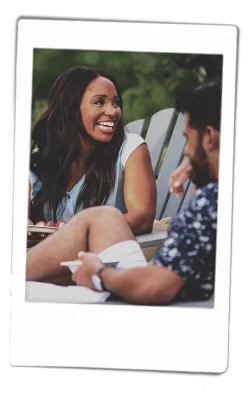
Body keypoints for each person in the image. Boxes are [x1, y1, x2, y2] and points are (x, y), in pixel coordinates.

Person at [26, 81, 221, 305]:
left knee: (101, 218)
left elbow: (153, 286)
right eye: (99, 102)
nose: (186, 151)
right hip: (131, 282)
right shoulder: (216, 197)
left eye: (188, 139)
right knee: (103, 217)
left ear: (209, 137)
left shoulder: (211, 201)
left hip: (135, 300)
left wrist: (99, 273)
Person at [27, 66, 156, 247]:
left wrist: (78, 233)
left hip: (102, 259)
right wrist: (30, 230)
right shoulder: (35, 163)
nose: (113, 112)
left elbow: (142, 218)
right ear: (70, 108)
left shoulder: (130, 149)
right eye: (99, 102)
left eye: (116, 102)